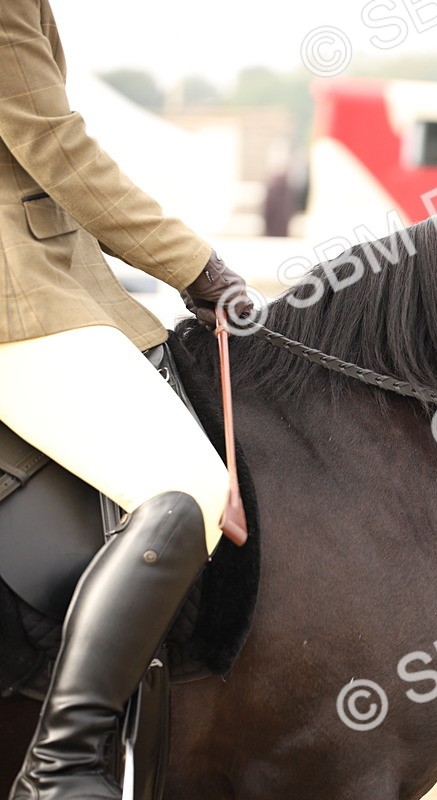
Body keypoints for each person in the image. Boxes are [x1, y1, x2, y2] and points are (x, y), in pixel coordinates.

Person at [0, 1, 253, 797]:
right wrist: (197, 267)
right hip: (17, 299)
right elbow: (53, 145)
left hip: (58, 282)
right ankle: (61, 767)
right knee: (189, 492)